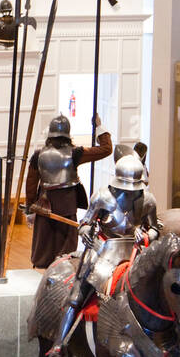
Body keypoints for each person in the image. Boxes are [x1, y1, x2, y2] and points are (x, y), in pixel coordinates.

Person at [48, 153, 161, 357]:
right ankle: (58, 344)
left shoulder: (148, 200)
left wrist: (146, 235)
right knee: (77, 296)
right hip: (105, 249)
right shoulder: (102, 197)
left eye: (133, 190)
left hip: (135, 250)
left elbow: (155, 228)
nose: (129, 194)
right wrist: (86, 233)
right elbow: (86, 224)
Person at [24, 113, 112, 269]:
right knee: (66, 252)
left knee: (44, 248)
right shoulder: (75, 153)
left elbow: (31, 184)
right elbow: (106, 149)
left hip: (44, 206)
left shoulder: (39, 155)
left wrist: (29, 209)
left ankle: (44, 275)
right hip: (66, 205)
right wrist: (99, 126)